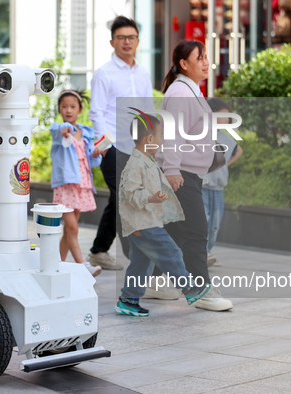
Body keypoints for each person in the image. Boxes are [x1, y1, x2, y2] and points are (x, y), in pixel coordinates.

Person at [153, 40, 233, 311]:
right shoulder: (180, 93)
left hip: (189, 172)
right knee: (197, 231)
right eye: (199, 58)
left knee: (175, 231)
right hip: (182, 173)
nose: (205, 62)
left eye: (206, 57)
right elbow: (173, 134)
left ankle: (154, 282)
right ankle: (201, 290)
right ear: (184, 64)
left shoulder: (189, 90)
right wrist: (172, 170)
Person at [116, 115, 210, 316]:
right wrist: (151, 198)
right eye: (160, 136)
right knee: (171, 252)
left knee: (141, 263)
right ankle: (190, 288)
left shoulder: (147, 161)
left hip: (146, 221)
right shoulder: (136, 164)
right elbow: (130, 192)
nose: (162, 141)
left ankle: (128, 299)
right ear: (149, 139)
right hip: (142, 223)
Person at [87, 16, 154, 271]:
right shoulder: (104, 74)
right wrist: (104, 148)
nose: (127, 42)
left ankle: (99, 250)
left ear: (138, 41)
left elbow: (148, 109)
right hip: (113, 148)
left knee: (118, 200)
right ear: (112, 41)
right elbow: (96, 112)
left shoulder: (143, 72)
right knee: (126, 199)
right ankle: (138, 261)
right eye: (122, 37)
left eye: (132, 37)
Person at [50, 90, 103, 277]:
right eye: (64, 106)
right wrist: (63, 131)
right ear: (59, 109)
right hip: (65, 185)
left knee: (68, 230)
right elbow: (58, 133)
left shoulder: (86, 132)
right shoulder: (58, 129)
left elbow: (91, 160)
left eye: (72, 106)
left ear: (80, 109)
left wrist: (97, 154)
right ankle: (83, 264)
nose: (68, 110)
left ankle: (56, 264)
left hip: (82, 184)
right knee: (73, 227)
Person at [203, 98, 243, 267]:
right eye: (224, 115)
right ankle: (203, 252)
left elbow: (239, 151)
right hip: (203, 186)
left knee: (215, 224)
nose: (227, 120)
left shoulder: (227, 138)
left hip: (219, 188)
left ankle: (209, 251)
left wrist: (225, 164)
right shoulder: (202, 133)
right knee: (203, 220)